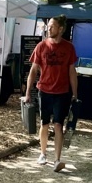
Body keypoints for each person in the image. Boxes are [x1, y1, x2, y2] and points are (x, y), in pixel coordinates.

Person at [25, 15, 78, 172]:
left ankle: (57, 159)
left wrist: (75, 94)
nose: (49, 28)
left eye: (52, 26)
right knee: (44, 123)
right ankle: (42, 153)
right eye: (48, 26)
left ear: (60, 29)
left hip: (63, 92)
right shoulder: (41, 46)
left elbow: (72, 72)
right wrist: (28, 92)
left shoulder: (69, 48)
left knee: (58, 125)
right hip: (45, 90)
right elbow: (33, 70)